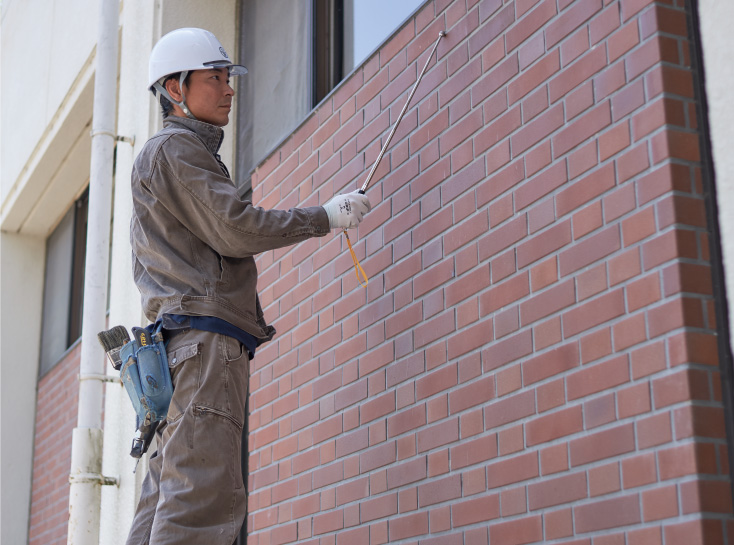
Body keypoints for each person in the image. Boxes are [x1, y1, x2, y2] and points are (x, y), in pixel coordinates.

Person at [126, 27, 371, 545]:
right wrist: (324, 217)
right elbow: (236, 227)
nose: (229, 89)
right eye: (215, 78)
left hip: (175, 352)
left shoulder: (167, 156)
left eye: (227, 78)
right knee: (200, 503)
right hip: (204, 349)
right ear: (176, 89)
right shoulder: (177, 150)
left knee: (168, 498)